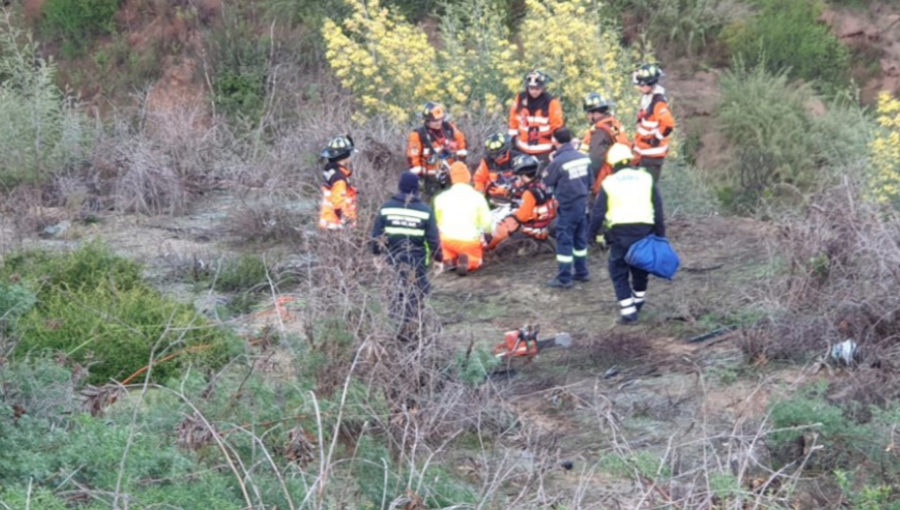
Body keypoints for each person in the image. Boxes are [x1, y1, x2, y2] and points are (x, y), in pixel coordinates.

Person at [589, 143, 666, 324]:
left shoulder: (609, 183)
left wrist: (590, 234)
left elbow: (598, 213)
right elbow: (658, 207)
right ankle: (638, 300)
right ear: (630, 159)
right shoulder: (646, 178)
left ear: (612, 163)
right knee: (640, 268)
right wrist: (661, 234)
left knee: (618, 271)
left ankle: (628, 312)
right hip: (645, 232)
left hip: (620, 234)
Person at [371, 171, 442, 332]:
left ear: (400, 187)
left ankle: (395, 330)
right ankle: (412, 331)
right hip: (417, 263)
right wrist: (438, 259)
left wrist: (377, 255)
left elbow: (376, 235)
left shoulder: (386, 208)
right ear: (417, 189)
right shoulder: (425, 211)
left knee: (395, 296)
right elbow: (433, 240)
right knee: (416, 297)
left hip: (392, 261)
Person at [541, 127, 592, 289]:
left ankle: (564, 278)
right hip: (582, 204)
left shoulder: (558, 162)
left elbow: (546, 181)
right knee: (580, 240)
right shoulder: (584, 158)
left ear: (555, 141)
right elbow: (590, 181)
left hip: (568, 206)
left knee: (564, 241)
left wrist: (549, 163)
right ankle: (582, 272)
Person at [434, 162, 492, 276]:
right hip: (469, 241)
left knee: (445, 244)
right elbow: (486, 222)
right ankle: (467, 262)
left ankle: (448, 259)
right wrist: (488, 234)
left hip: (447, 239)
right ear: (468, 176)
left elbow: (438, 221)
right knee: (475, 258)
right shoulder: (478, 197)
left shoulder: (440, 198)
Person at [488, 154, 557, 251]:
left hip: (536, 227)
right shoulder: (543, 183)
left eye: (518, 176)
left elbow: (522, 216)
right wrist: (507, 191)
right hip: (548, 220)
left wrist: (512, 216)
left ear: (523, 175)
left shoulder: (530, 193)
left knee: (506, 224)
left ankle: (489, 250)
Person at [407, 101, 468, 201]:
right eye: (435, 121)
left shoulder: (449, 128)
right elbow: (413, 157)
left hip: (452, 174)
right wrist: (418, 177)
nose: (438, 123)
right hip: (431, 179)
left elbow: (461, 141)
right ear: (427, 120)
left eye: (440, 119)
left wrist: (461, 160)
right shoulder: (418, 134)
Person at [632, 63, 676, 183]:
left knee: (648, 192)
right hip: (644, 154)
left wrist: (655, 139)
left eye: (641, 84)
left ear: (649, 84)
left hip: (652, 156)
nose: (639, 87)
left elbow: (668, 124)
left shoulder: (658, 102)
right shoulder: (648, 99)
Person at [580, 93, 630, 196]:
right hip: (619, 175)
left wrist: (587, 180)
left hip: (605, 180)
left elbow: (596, 159)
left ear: (593, 113)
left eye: (588, 113)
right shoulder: (613, 124)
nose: (587, 117)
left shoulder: (600, 132)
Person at [508, 70, 564, 161]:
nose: (534, 91)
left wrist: (555, 147)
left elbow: (557, 126)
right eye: (531, 88)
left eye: (537, 88)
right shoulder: (519, 99)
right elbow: (513, 120)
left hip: (544, 150)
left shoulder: (551, 102)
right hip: (522, 148)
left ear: (543, 87)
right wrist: (512, 140)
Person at [318, 134, 358, 230]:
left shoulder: (331, 171)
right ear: (345, 156)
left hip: (329, 222)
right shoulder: (339, 177)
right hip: (336, 226)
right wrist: (347, 223)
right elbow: (338, 204)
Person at [473, 133, 521, 206]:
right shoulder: (486, 162)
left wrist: (508, 191)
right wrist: (480, 200)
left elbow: (525, 181)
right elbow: (479, 179)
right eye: (492, 155)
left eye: (497, 155)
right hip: (494, 201)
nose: (494, 158)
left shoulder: (517, 158)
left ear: (504, 151)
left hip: (515, 199)